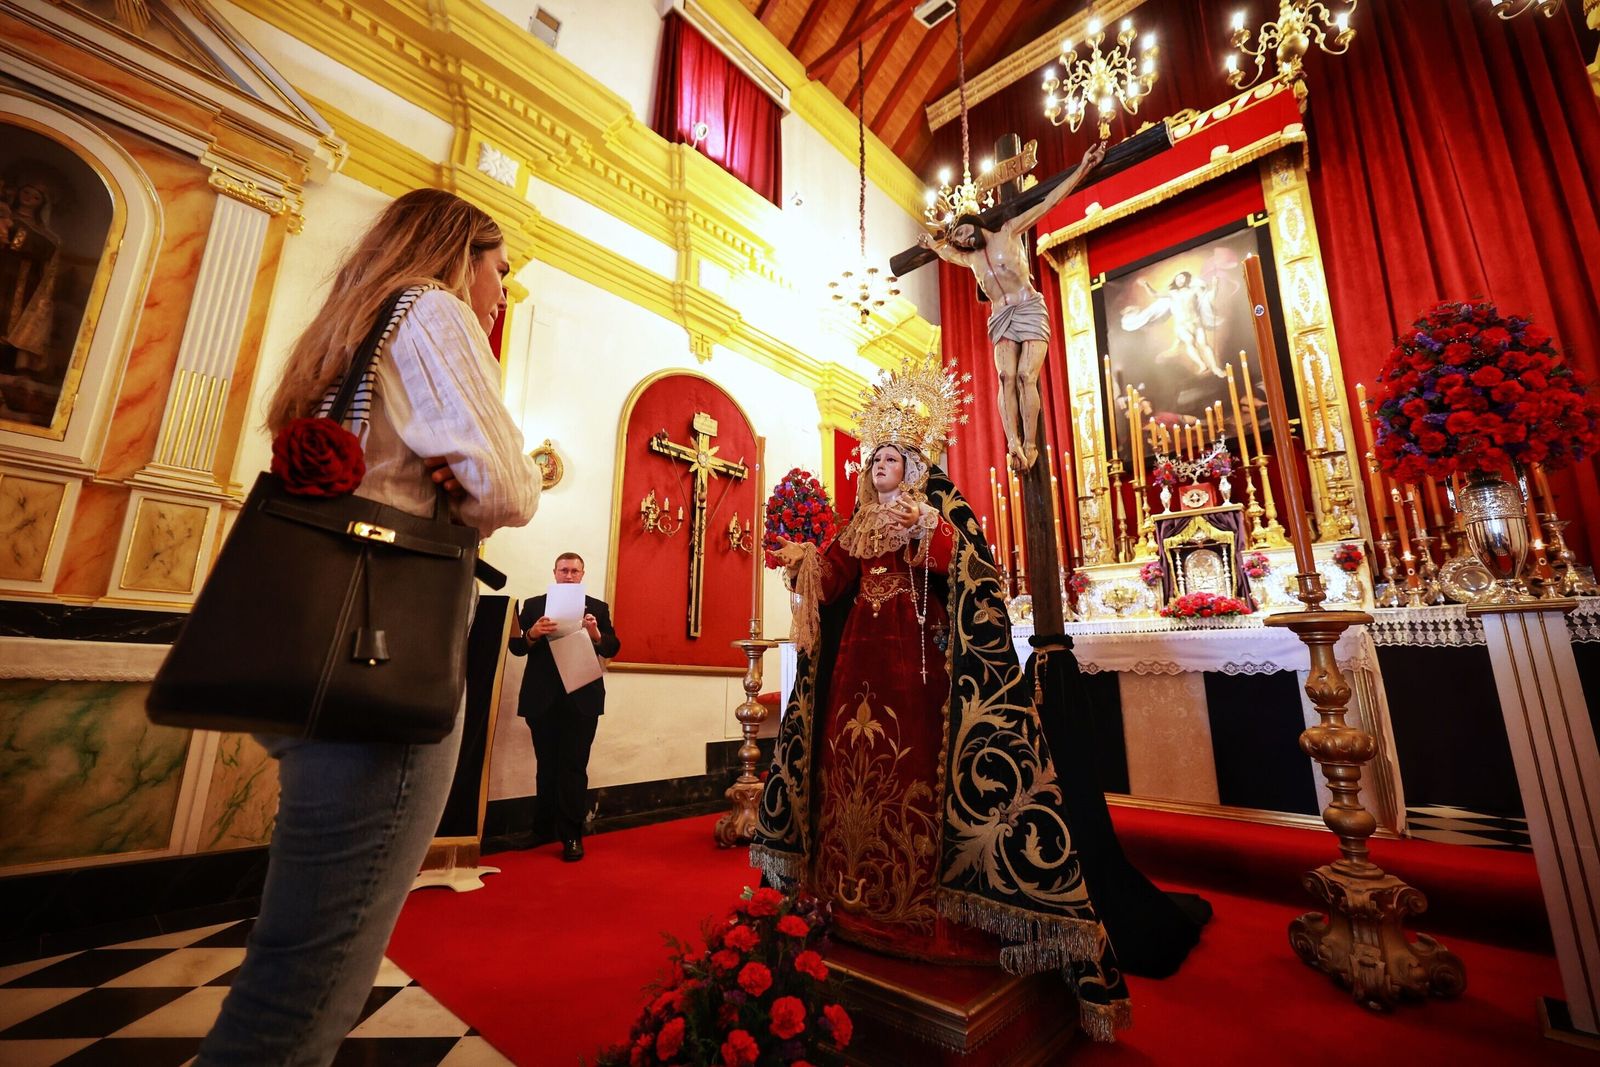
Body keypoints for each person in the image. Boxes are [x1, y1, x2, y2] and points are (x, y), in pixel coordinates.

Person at [753, 357, 1206, 1043]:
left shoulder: (939, 512)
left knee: (914, 785)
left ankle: (928, 915)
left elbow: (978, 572)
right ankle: (848, 905)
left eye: (890, 456)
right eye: (872, 456)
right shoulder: (856, 525)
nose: (878, 464)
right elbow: (832, 580)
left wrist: (927, 537)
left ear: (913, 463)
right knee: (849, 784)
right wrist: (803, 559)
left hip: (924, 682)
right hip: (853, 683)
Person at [196, 188, 540, 1067]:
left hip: (306, 650)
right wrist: (476, 484)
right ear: (464, 253)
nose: (502, 293)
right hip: (378, 663)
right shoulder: (434, 308)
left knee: (298, 956)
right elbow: (507, 487)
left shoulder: (350, 326)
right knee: (310, 984)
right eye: (502, 270)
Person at [916, 141, 1105, 471]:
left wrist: (1083, 167)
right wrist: (934, 245)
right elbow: (945, 252)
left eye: (962, 231)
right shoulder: (970, 259)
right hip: (1001, 315)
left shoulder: (1008, 231)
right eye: (957, 238)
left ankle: (1030, 444)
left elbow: (1049, 202)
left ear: (975, 223)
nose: (961, 239)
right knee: (1005, 376)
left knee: (1024, 377)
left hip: (1029, 307)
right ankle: (1013, 444)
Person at [508, 552, 621, 861]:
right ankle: (541, 829)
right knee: (546, 767)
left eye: (575, 571)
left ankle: (571, 836)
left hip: (582, 698)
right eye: (564, 570)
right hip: (541, 698)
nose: (569, 575)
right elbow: (516, 647)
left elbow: (612, 645)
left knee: (573, 767)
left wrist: (595, 632)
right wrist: (532, 633)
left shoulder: (596, 607)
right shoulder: (533, 605)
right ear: (554, 572)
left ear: (582, 575)